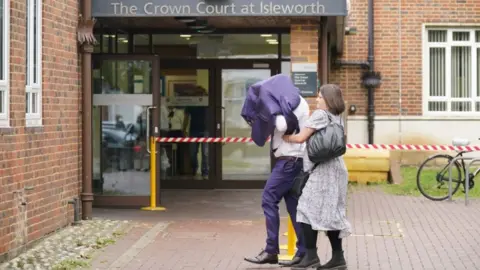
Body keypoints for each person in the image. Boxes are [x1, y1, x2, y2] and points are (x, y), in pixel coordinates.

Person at [283, 84, 351, 270]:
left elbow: (300, 138)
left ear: (328, 100)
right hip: (337, 168)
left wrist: (285, 137)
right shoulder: (338, 118)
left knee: (304, 209)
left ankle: (311, 256)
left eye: (320, 96)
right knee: (332, 212)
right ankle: (338, 258)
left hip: (322, 171)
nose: (317, 99)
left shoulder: (321, 115)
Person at [244, 97, 310, 266]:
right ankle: (304, 251)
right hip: (292, 161)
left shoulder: (294, 103)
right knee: (293, 206)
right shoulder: (292, 102)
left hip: (289, 161)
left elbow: (282, 125)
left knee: (269, 198)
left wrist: (268, 113)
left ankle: (271, 250)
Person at [183, 86, 209, 179]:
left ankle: (205, 172)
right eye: (197, 93)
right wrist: (184, 129)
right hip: (194, 130)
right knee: (193, 152)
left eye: (201, 93)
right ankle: (194, 169)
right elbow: (186, 117)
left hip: (206, 130)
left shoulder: (207, 103)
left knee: (205, 153)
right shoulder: (191, 103)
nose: (200, 95)